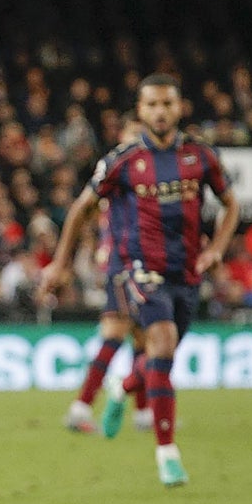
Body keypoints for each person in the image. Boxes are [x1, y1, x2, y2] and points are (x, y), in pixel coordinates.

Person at [40, 74, 240, 486]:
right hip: (140, 270)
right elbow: (80, 209)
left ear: (180, 107)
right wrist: (60, 264)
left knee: (160, 357)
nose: (160, 112)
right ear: (140, 110)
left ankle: (122, 387)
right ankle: (167, 454)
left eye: (167, 103)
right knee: (159, 344)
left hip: (187, 272)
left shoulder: (201, 156)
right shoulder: (123, 161)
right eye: (152, 105)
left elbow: (231, 205)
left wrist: (217, 248)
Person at [64, 119, 151, 436]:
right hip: (124, 265)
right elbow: (90, 208)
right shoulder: (118, 170)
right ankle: (81, 407)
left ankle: (143, 413)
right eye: (133, 133)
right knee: (116, 334)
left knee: (142, 338)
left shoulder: (144, 174)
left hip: (139, 264)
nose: (138, 139)